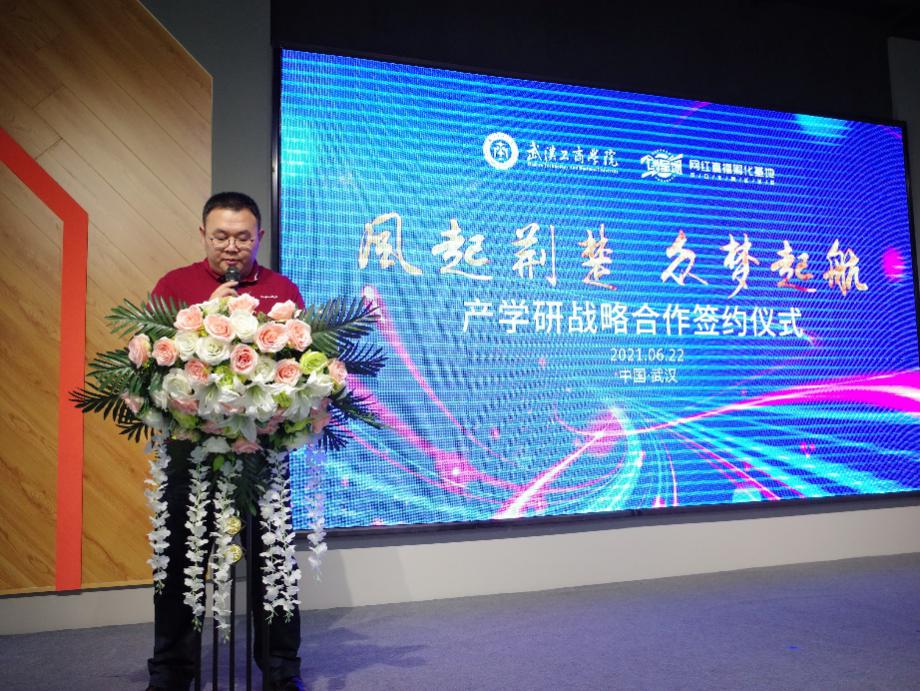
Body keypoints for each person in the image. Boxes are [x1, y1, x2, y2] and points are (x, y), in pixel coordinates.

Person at [146, 192, 305, 691]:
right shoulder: (175, 286)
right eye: (220, 236)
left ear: (259, 237)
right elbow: (151, 367)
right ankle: (171, 672)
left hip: (260, 452)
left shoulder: (282, 292)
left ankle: (281, 670)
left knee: (273, 564)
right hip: (190, 451)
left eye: (242, 237)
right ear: (203, 235)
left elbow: (299, 369)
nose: (231, 247)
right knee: (180, 560)